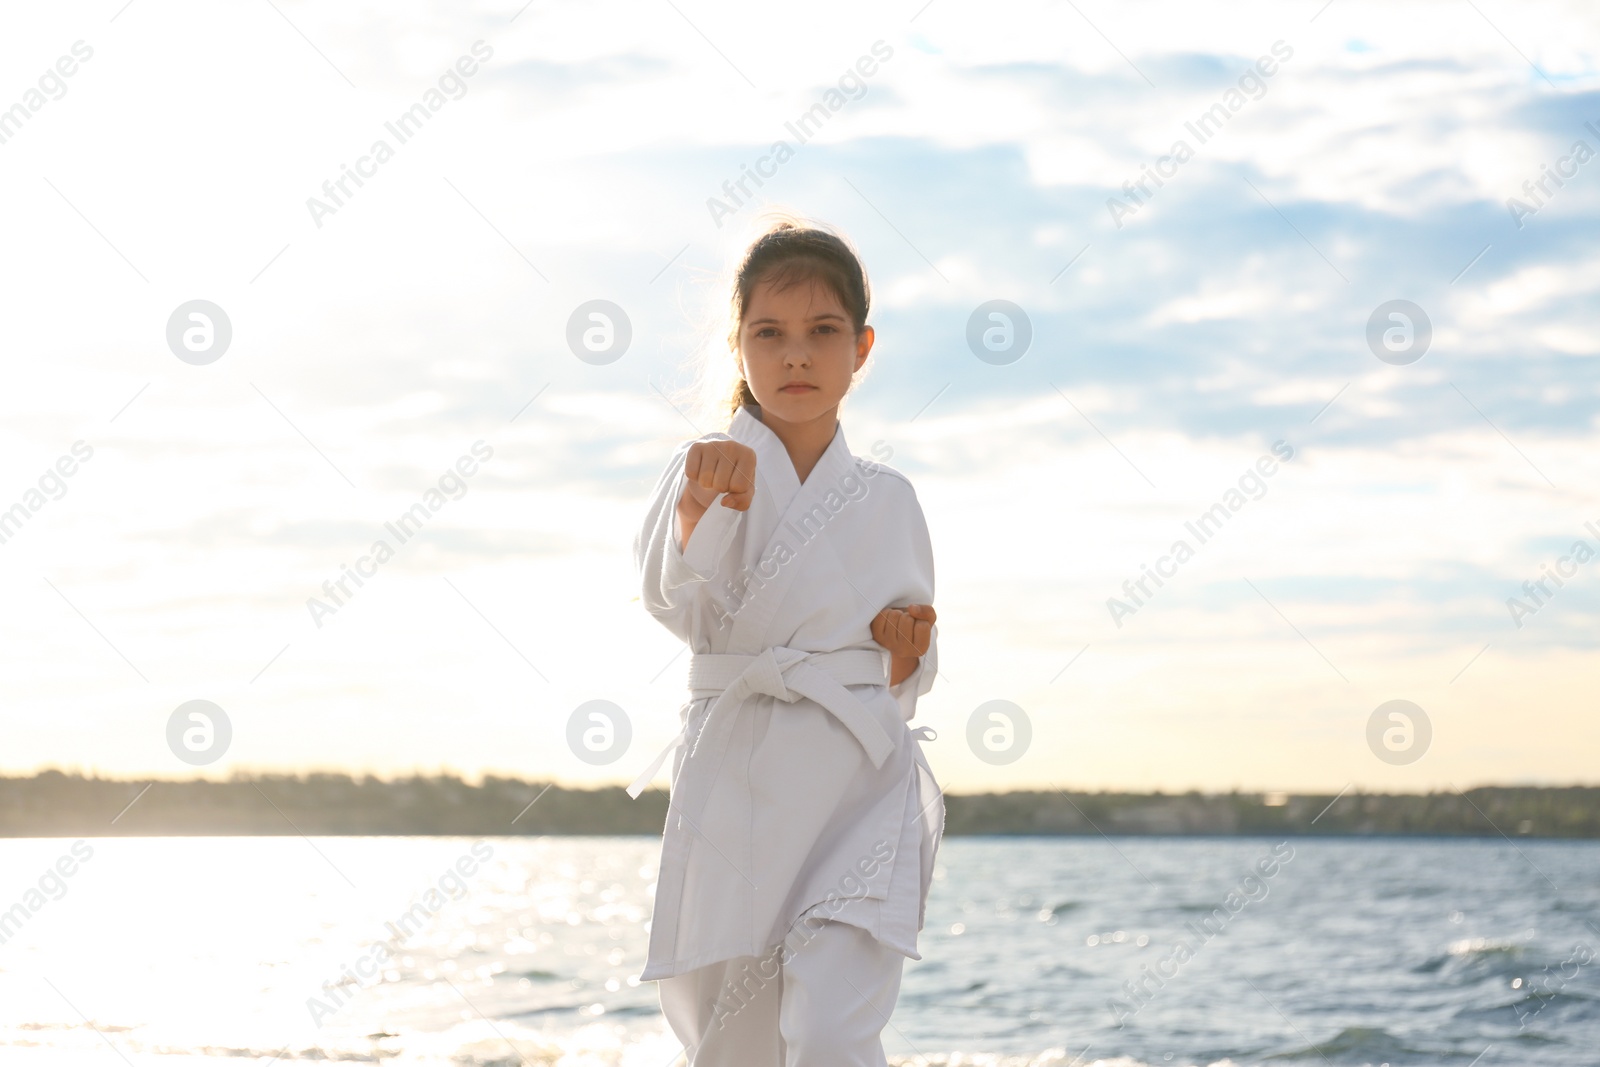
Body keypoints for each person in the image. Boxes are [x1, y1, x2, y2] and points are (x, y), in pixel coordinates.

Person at [628, 216, 945, 1065]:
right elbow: (671, 599)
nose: (796, 355)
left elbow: (904, 673)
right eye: (770, 333)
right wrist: (701, 509)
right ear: (738, 348)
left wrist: (905, 647)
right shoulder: (705, 465)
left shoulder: (889, 498)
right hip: (740, 779)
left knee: (833, 1027)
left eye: (822, 332)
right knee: (734, 1036)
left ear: (861, 348)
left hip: (855, 782)